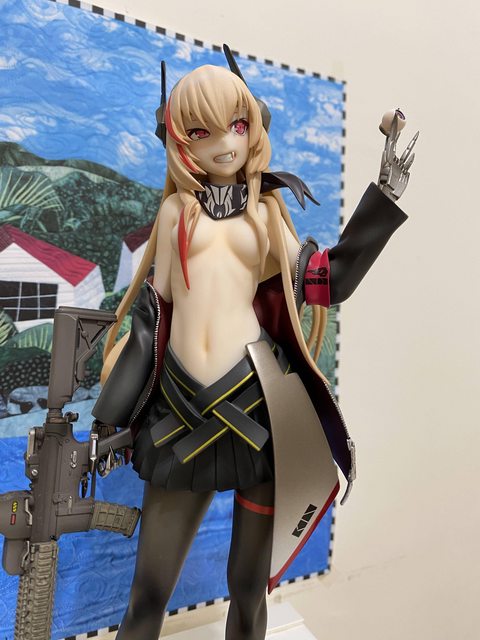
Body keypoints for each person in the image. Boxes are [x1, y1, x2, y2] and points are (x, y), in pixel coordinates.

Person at [92, 59, 417, 640]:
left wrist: (383, 199)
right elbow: (150, 319)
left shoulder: (265, 216)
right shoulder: (174, 213)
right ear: (178, 139)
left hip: (258, 412)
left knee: (248, 590)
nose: (224, 143)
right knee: (148, 595)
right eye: (202, 131)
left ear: (254, 128)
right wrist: (108, 417)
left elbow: (326, 281)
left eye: (237, 126)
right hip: (180, 415)